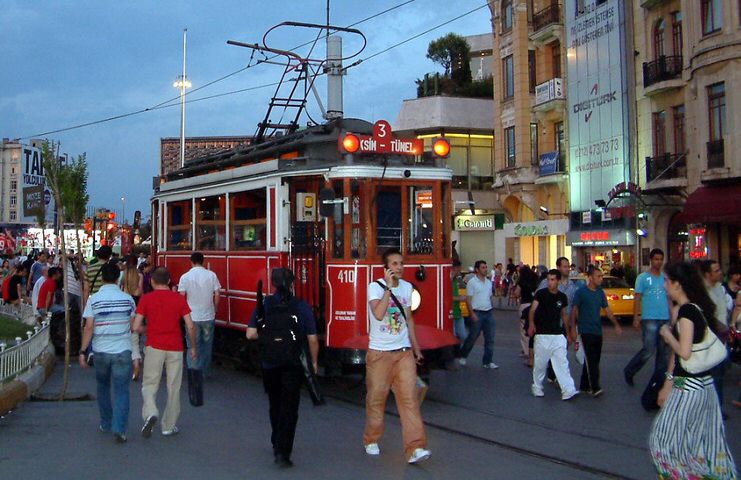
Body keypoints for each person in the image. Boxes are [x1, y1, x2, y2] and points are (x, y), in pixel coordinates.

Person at [650, 262, 737, 479]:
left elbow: (684, 352)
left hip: (690, 387)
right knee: (697, 443)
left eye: (668, 281)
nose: (665, 285)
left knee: (664, 440)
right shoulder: (689, 308)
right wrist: (668, 382)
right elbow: (679, 358)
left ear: (678, 284)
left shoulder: (687, 312)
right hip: (696, 384)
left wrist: (668, 335)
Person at [362, 248, 431, 464]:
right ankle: (371, 438)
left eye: (401, 263)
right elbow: (379, 313)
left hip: (403, 353)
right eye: (394, 264)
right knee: (376, 398)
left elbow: (408, 319)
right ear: (385, 268)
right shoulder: (374, 287)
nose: (399, 267)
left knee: (409, 399)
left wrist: (416, 347)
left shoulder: (409, 287)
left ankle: (415, 447)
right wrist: (388, 290)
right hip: (379, 353)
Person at [246, 268, 319, 468]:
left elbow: (250, 334)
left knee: (275, 404)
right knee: (290, 408)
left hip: (270, 363)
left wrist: (269, 337)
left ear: (273, 284)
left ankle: (275, 438)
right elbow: (312, 339)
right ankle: (283, 452)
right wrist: (313, 363)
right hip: (293, 364)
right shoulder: (302, 306)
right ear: (292, 284)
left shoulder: (265, 304)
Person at [133, 267, 197, 439]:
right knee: (173, 387)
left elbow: (135, 327)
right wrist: (193, 347)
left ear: (152, 282)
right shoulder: (179, 299)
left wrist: (147, 328)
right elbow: (190, 325)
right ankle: (169, 425)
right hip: (175, 347)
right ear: (169, 281)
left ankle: (151, 412)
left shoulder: (146, 299)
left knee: (149, 384)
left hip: (154, 346)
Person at [78, 262, 136, 443]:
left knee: (102, 387)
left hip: (101, 351)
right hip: (123, 350)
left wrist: (82, 351)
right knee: (122, 390)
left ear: (102, 278)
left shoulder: (94, 299)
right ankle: (119, 428)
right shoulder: (128, 299)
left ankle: (105, 422)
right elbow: (132, 326)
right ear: (118, 277)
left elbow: (89, 327)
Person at [571, 266, 623, 397]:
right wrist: (573, 328)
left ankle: (584, 385)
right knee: (591, 359)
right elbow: (574, 310)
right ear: (590, 278)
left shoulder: (600, 293)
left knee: (594, 359)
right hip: (585, 330)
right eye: (598, 276)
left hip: (597, 330)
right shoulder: (581, 292)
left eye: (601, 276)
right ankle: (595, 387)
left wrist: (616, 324)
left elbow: (607, 310)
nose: (601, 279)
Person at [528, 269, 578, 400]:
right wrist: (532, 324)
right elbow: (532, 310)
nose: (550, 282)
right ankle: (537, 386)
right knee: (540, 364)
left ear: (558, 281)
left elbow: (564, 314)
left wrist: (567, 333)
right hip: (542, 335)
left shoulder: (562, 297)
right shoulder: (540, 294)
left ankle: (568, 389)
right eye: (548, 280)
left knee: (562, 363)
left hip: (557, 335)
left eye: (552, 280)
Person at [624, 248, 670, 386]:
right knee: (648, 350)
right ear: (651, 260)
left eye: (661, 259)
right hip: (649, 317)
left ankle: (658, 380)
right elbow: (637, 298)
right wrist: (636, 316)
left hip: (664, 317)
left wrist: (672, 316)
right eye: (656, 259)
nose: (658, 262)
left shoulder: (665, 278)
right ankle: (630, 370)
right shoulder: (643, 278)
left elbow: (668, 298)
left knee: (663, 353)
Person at [697, 259, 732, 413]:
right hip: (711, 338)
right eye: (716, 271)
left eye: (719, 269)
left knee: (721, 369)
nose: (720, 273)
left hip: (723, 336)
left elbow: (724, 309)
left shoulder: (719, 288)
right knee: (716, 372)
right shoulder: (702, 292)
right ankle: (716, 408)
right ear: (707, 274)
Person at [178, 252, 221, 374]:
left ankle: (193, 370)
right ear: (203, 261)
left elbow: (181, 297)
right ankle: (203, 371)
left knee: (192, 344)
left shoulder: (185, 277)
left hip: (192, 317)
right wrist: (215, 307)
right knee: (207, 345)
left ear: (191, 262)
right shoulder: (211, 275)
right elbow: (217, 294)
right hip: (208, 315)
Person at [459, 260, 498, 369]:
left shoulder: (489, 282)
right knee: (473, 336)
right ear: (477, 269)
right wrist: (472, 313)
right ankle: (463, 355)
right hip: (477, 312)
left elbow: (490, 297)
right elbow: (468, 299)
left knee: (490, 338)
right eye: (483, 267)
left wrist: (491, 309)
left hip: (488, 312)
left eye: (486, 267)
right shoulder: (472, 283)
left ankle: (488, 361)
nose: (485, 269)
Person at [515, 266, 540, 367]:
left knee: (524, 329)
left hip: (524, 304)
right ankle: (534, 350)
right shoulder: (535, 280)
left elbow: (517, 293)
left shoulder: (522, 282)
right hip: (535, 305)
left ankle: (526, 351)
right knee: (534, 328)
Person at [451, 260, 469, 358]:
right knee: (455, 334)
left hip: (458, 311)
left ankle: (456, 351)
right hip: (452, 311)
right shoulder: (449, 280)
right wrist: (459, 298)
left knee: (462, 335)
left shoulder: (457, 280)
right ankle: (455, 353)